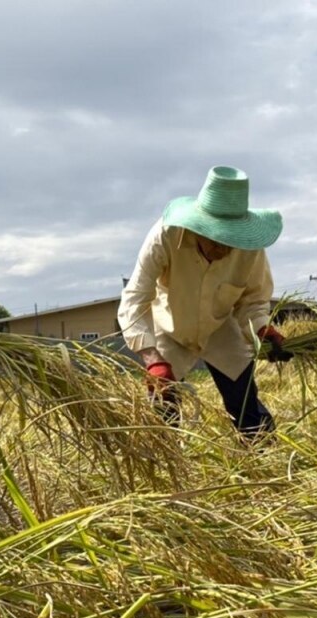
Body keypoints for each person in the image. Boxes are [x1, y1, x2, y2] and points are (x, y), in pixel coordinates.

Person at [118, 166, 292, 436]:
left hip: (221, 327)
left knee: (246, 407)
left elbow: (253, 300)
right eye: (217, 239)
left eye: (231, 240)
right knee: (162, 411)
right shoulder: (165, 236)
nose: (224, 249)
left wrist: (261, 329)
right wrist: (152, 359)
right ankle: (167, 467)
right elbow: (135, 298)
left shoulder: (250, 248)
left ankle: (262, 454)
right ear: (198, 227)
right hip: (170, 325)